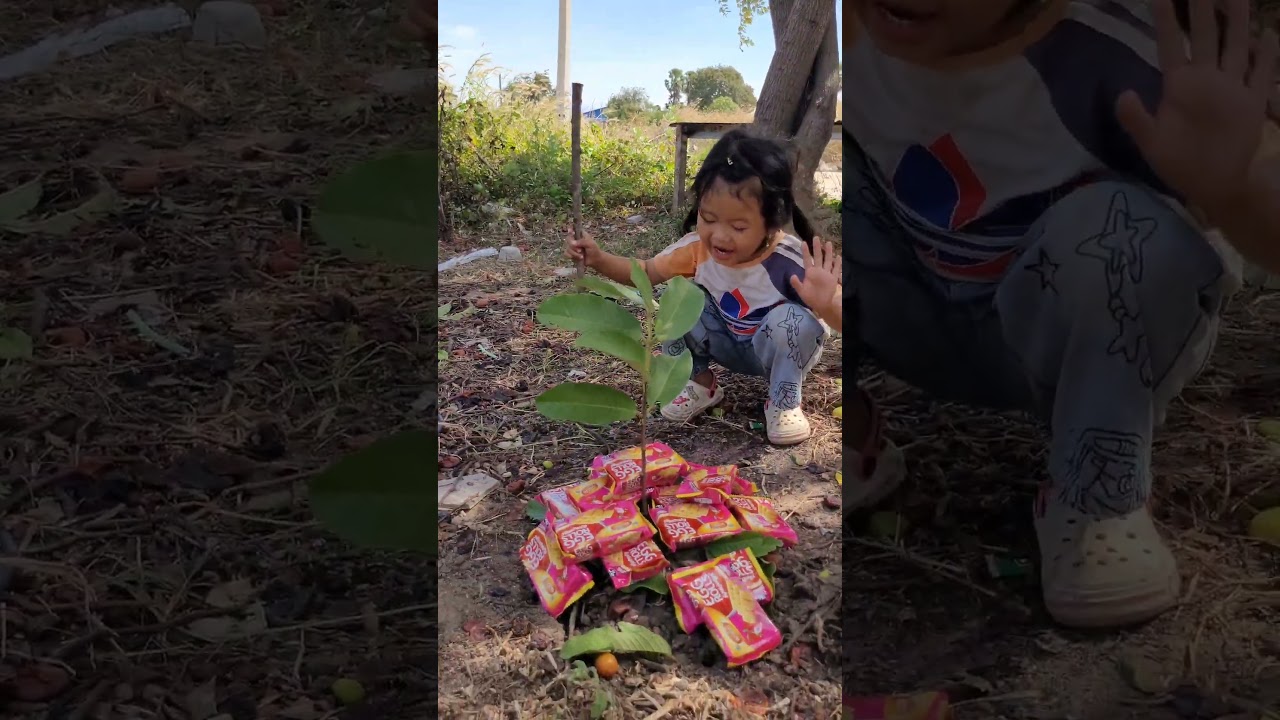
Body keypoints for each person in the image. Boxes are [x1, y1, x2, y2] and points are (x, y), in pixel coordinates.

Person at [842, 0, 1279, 629]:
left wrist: (1233, 190)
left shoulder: (1130, 52)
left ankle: (1098, 491)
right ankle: (849, 431)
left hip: (1083, 332)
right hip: (917, 312)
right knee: (793, 187)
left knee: (1123, 232)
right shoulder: (839, 34)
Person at [566, 129, 841, 446]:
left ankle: (783, 400)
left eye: (738, 227)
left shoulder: (792, 260)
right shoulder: (696, 250)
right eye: (708, 219)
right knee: (678, 298)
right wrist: (598, 258)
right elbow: (645, 273)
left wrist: (826, 304)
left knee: (792, 320)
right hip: (725, 340)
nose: (720, 236)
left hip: (772, 349)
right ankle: (698, 383)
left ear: (772, 222)